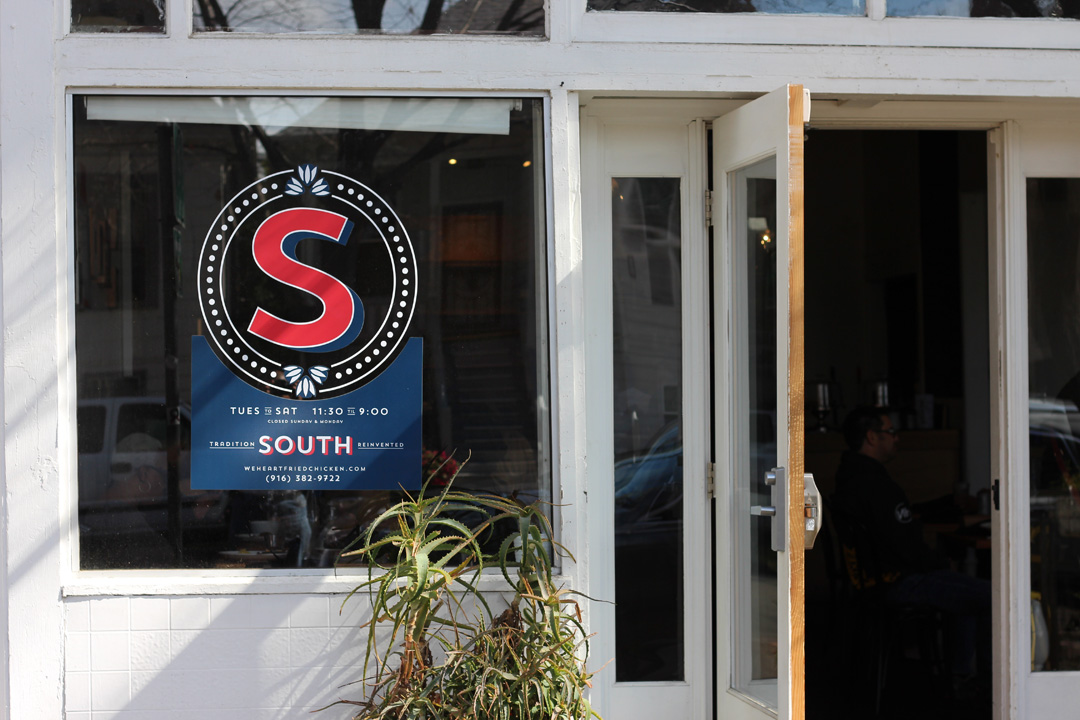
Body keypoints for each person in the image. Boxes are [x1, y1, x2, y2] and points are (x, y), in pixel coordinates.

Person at [832, 405, 991, 684]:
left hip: (869, 583)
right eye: (891, 432)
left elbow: (897, 527)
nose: (897, 438)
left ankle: (959, 675)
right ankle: (984, 683)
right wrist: (942, 564)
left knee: (965, 593)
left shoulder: (848, 477)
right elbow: (908, 547)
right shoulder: (877, 486)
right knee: (992, 597)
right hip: (896, 583)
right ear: (871, 437)